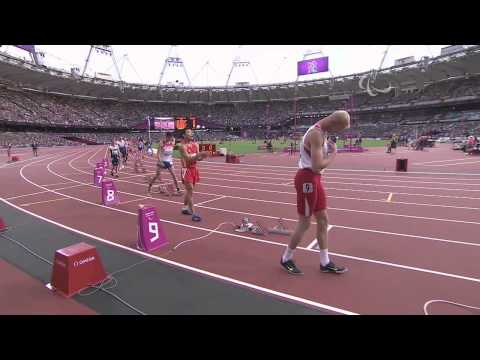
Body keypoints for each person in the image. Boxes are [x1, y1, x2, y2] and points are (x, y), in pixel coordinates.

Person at [280, 110, 350, 275]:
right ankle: (286, 258)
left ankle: (325, 262)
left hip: (314, 180)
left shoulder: (323, 131)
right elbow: (317, 166)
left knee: (323, 220)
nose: (338, 133)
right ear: (333, 123)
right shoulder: (316, 134)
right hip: (307, 180)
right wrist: (334, 154)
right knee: (304, 222)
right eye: (339, 129)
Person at [179, 129, 210, 222]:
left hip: (194, 169)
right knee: (190, 190)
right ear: (184, 135)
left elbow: (198, 159)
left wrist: (203, 156)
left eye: (191, 132)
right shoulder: (182, 146)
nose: (191, 134)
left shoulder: (195, 145)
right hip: (186, 169)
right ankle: (194, 213)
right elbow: (188, 159)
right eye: (189, 132)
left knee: (189, 191)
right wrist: (199, 155)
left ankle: (184, 208)